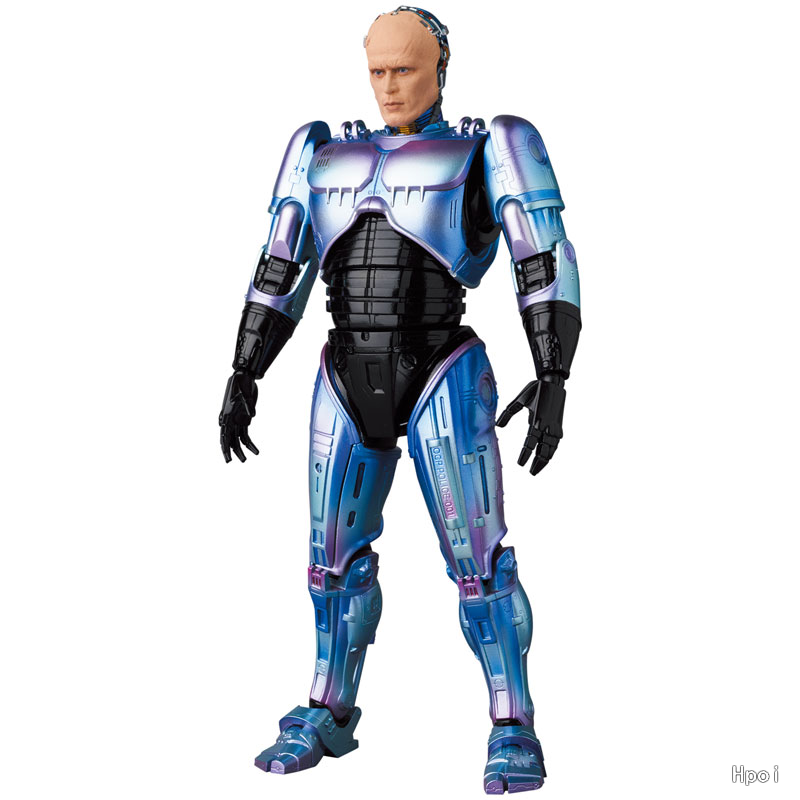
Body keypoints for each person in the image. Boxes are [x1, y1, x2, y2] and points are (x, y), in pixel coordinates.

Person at [219, 6, 581, 794]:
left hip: (441, 366)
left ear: (440, 70)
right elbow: (281, 265)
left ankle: (512, 721)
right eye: (377, 70)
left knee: (480, 567)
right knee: (329, 566)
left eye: (405, 70)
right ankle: (328, 707)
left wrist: (553, 373)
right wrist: (245, 370)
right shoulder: (323, 153)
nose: (388, 86)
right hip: (343, 371)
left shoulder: (489, 148)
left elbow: (541, 256)